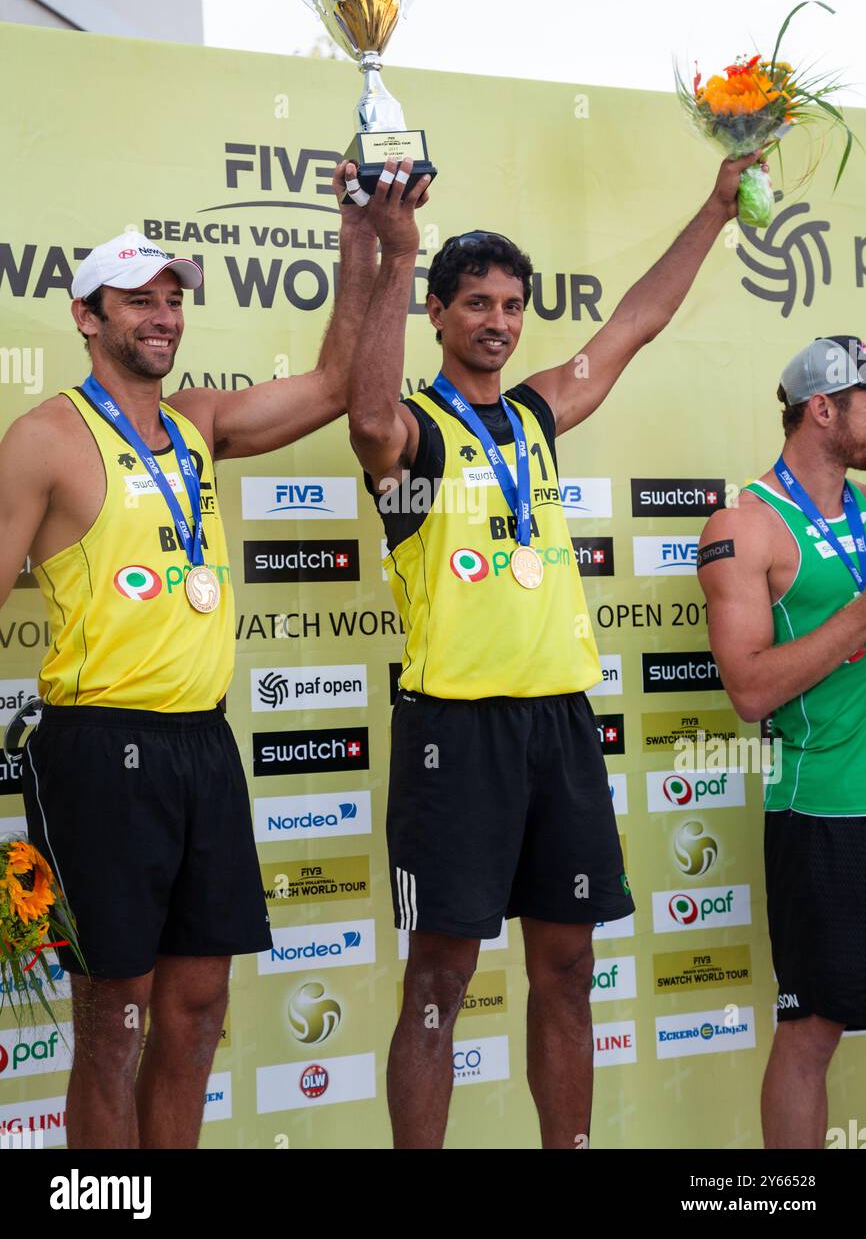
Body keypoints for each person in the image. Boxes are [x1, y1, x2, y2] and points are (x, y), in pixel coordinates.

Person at [0, 160, 421, 1149]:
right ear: (85, 316)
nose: (162, 315)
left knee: (194, 1011)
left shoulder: (197, 424)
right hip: (98, 749)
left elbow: (330, 384)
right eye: (137, 299)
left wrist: (357, 234)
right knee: (115, 1017)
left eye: (173, 299)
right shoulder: (45, 436)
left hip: (202, 746)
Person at [348, 151, 758, 1149]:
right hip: (454, 734)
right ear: (437, 314)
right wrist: (395, 255)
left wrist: (710, 208)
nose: (497, 320)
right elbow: (363, 420)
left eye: (512, 304)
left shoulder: (533, 414)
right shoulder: (415, 440)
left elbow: (632, 325)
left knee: (566, 967)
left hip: (558, 728)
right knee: (440, 979)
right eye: (476, 302)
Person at [697, 335, 866, 1150]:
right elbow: (749, 689)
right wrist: (858, 618)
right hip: (825, 810)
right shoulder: (745, 523)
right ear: (823, 407)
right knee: (813, 1033)